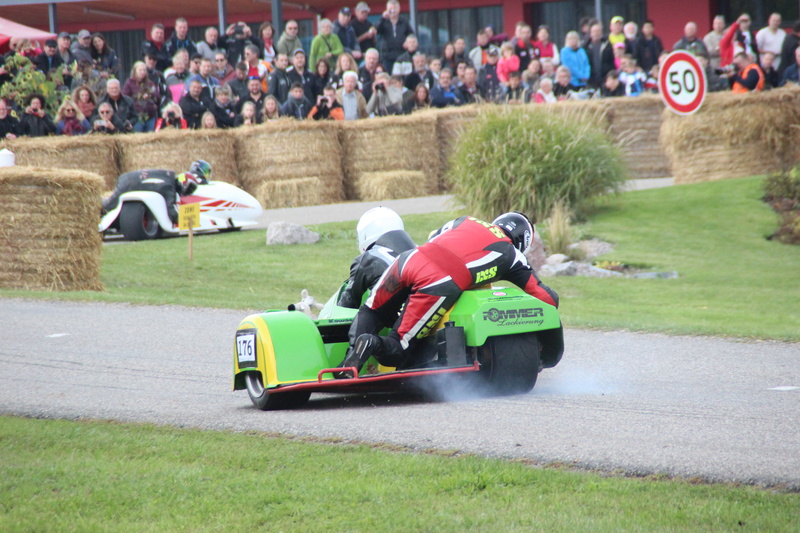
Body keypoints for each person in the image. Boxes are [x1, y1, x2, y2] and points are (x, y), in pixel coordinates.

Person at [335, 213, 558, 376]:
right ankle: (371, 344)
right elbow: (544, 296)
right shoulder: (513, 255)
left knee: (372, 309)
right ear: (523, 242)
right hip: (438, 282)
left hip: (409, 259)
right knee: (398, 350)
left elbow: (434, 237)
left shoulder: (465, 220)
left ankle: (349, 364)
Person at [338, 207, 416, 310]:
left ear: (365, 234)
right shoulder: (419, 250)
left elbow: (348, 303)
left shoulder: (366, 259)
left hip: (398, 317)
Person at [102, 162, 210, 221]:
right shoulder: (169, 189)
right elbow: (172, 212)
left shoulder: (169, 173)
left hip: (126, 176)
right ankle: (96, 207)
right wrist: (187, 219)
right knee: (109, 207)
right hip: (129, 184)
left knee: (112, 203)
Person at [376, 0, 414, 73]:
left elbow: (411, 34)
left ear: (399, 9)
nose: (393, 11)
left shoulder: (404, 21)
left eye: (395, 8)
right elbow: (377, 30)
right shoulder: (384, 21)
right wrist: (383, 18)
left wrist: (407, 41)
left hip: (401, 54)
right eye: (391, 9)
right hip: (387, 55)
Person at [123, 61, 161, 132]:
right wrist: (137, 98)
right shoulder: (129, 83)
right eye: (140, 70)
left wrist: (150, 95)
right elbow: (125, 98)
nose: (142, 72)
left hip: (150, 116)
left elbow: (158, 95)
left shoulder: (150, 83)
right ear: (135, 71)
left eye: (144, 70)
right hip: (138, 116)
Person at [585, 22, 614, 88]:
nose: (596, 33)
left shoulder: (607, 46)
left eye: (598, 31)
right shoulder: (585, 47)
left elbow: (611, 62)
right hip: (591, 80)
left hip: (605, 78)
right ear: (590, 33)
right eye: (594, 31)